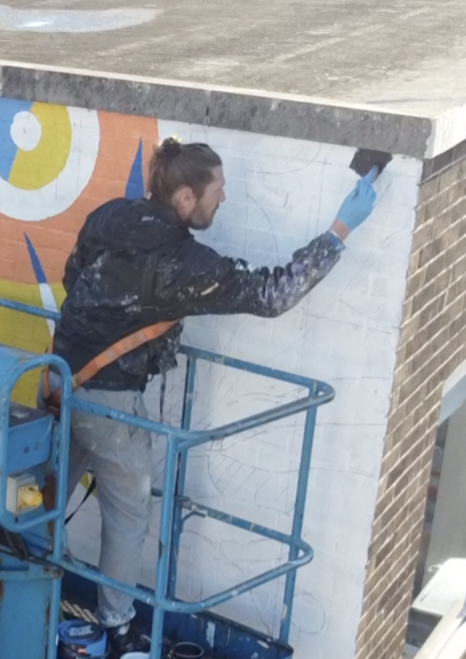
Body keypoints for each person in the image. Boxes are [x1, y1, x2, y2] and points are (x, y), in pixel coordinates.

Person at [52, 137, 379, 634]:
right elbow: (272, 294)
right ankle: (114, 626)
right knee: (127, 512)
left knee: (44, 494)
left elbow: (71, 276)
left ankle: (19, 583)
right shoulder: (185, 265)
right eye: (217, 190)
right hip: (110, 403)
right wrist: (339, 229)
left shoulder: (109, 214)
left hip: (57, 377)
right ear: (186, 198)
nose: (222, 199)